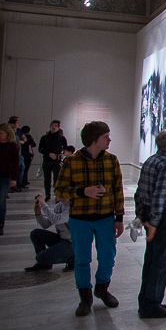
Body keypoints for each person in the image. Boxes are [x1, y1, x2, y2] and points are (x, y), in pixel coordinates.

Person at [54, 121, 124, 317]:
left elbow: (117, 191)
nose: (109, 140)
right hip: (80, 219)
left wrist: (119, 217)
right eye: (105, 137)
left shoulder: (112, 161)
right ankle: (85, 297)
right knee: (82, 259)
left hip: (105, 218)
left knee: (107, 257)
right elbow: (59, 191)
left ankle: (102, 288)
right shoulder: (71, 162)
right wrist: (83, 191)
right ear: (94, 139)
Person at [135, 128, 166, 319]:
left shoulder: (151, 161)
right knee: (162, 261)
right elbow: (160, 196)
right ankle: (152, 304)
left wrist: (142, 216)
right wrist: (154, 224)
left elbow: (140, 192)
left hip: (151, 215)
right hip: (164, 218)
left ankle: (147, 301)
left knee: (152, 259)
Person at [25, 193, 75, 272]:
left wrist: (43, 204)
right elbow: (45, 225)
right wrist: (38, 213)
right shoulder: (59, 205)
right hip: (62, 239)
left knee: (41, 257)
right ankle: (44, 265)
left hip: (72, 243)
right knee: (36, 234)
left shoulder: (73, 206)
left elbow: (56, 219)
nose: (55, 194)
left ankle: (73, 259)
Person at [39, 120, 68, 200]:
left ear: (58, 127)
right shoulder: (44, 137)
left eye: (56, 126)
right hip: (47, 160)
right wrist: (48, 153)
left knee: (57, 180)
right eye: (52, 125)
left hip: (57, 161)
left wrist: (62, 154)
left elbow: (65, 148)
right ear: (50, 126)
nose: (54, 127)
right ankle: (47, 195)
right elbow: (40, 149)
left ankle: (56, 196)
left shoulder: (62, 138)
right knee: (47, 179)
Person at [0, 123, 20, 235]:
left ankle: (0, 223)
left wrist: (14, 179)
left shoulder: (12, 146)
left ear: (7, 134)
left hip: (5, 176)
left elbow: (15, 163)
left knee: (1, 200)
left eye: (1, 133)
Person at [9, 116, 26, 189]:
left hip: (19, 154)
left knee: (21, 168)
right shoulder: (8, 130)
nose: (18, 124)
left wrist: (21, 141)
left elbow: (24, 138)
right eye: (17, 122)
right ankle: (12, 185)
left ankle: (18, 184)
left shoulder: (18, 132)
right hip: (11, 155)